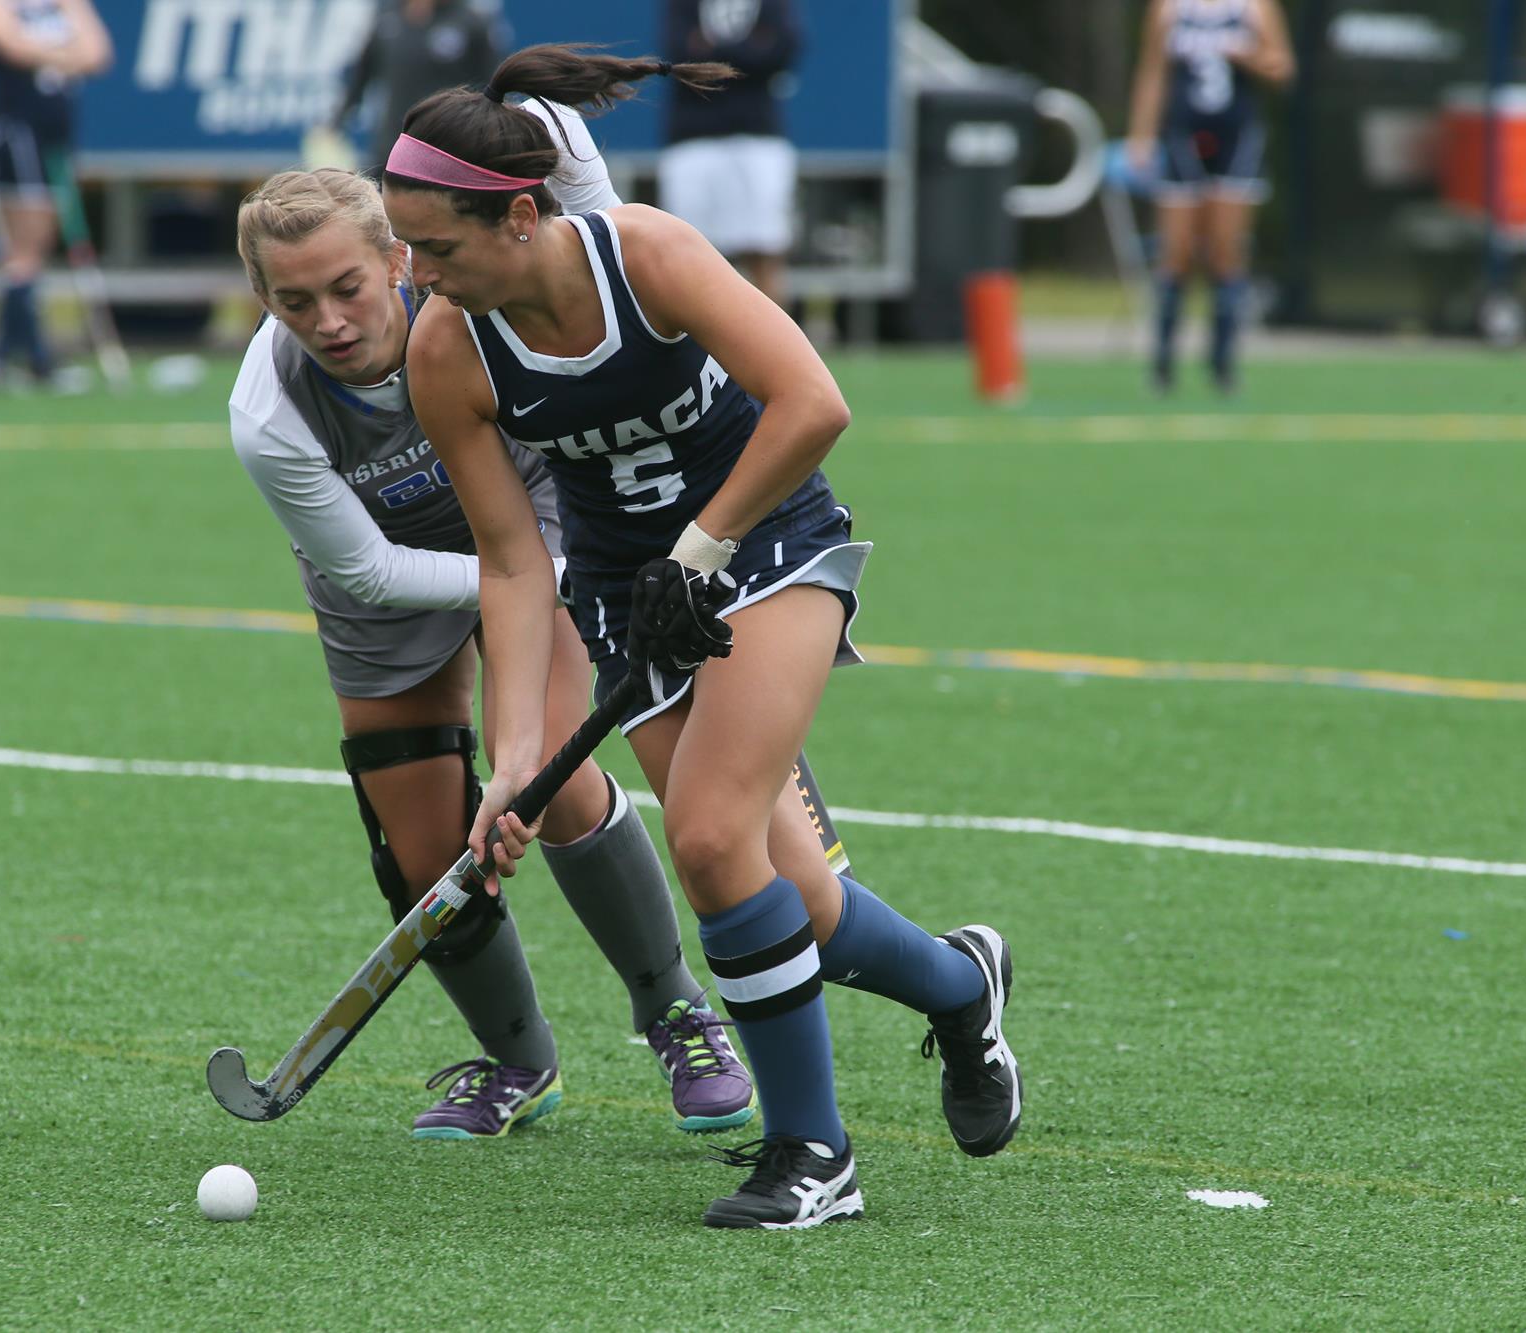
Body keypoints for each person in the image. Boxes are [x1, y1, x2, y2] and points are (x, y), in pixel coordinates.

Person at [383, 45, 1020, 1230]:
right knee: (796, 901)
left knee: (714, 841)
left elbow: (812, 402)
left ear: (517, 216)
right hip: (631, 595)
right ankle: (957, 983)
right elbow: (512, 561)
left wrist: (702, 545)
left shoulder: (648, 256)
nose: (416, 275)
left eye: (437, 249)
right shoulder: (444, 348)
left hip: (766, 540)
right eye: (406, 248)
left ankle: (812, 1154)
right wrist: (511, 755)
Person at [227, 98, 757, 1141]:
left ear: (397, 257)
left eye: (346, 287)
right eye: (294, 302)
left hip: (537, 511)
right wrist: (531, 580)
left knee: (552, 774)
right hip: (388, 576)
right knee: (424, 846)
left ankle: (677, 1014)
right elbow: (372, 571)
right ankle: (517, 1059)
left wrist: (565, 576)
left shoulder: (472, 294)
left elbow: (595, 243)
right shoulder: (267, 410)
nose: (329, 321)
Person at [1128, 0, 1294, 394]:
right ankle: (1163, 365)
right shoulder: (1168, 8)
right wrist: (1141, 134)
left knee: (1226, 251)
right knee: (1176, 252)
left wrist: (1248, 56)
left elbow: (1282, 69)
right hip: (1181, 134)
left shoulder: (1254, 7)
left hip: (1237, 138)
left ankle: (1222, 365)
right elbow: (1153, 71)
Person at [0, 0, 110, 389]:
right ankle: (30, 358)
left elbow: (98, 54)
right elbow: (10, 46)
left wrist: (51, 55)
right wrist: (66, 54)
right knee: (23, 249)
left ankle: (6, 357)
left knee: (34, 249)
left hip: (56, 133)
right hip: (15, 131)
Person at [656, 0, 800, 310]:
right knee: (687, 255)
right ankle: (695, 341)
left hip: (758, 137)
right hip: (693, 139)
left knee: (764, 248)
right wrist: (749, 49)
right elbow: (680, 51)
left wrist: (713, 49)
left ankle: (769, 340)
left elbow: (783, 49)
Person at [334, 0, 505, 175]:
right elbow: (361, 77)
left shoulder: (472, 23)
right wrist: (335, 123)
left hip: (445, 152)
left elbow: (492, 91)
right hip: (390, 147)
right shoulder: (388, 17)